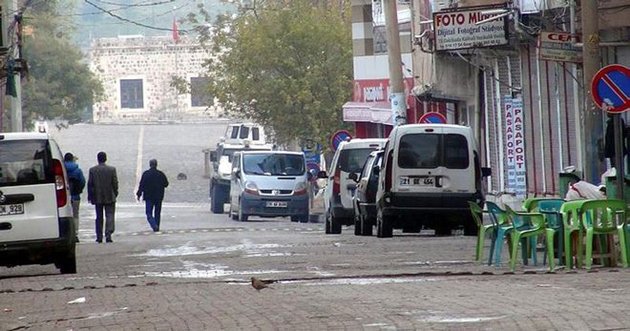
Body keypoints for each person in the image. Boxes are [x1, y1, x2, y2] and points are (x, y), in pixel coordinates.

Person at [87, 151, 118, 243]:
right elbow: (115, 183)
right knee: (110, 215)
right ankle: (108, 233)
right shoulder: (112, 169)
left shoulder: (93, 170)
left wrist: (90, 196)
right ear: (106, 158)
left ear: (98, 159)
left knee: (99, 217)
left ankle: (99, 236)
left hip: (98, 196)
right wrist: (115, 192)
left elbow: (90, 184)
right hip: (110, 195)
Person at [136, 159, 169, 232]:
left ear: (150, 165)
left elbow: (141, 185)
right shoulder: (160, 174)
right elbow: (166, 184)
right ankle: (157, 226)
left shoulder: (146, 174)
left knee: (148, 213)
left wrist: (139, 194)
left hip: (148, 196)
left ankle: (154, 225)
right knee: (157, 212)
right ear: (156, 165)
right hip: (158, 196)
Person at [64, 152, 86, 243]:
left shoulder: (62, 168)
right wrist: (78, 191)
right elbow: (82, 182)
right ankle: (75, 234)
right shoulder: (78, 170)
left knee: (64, 215)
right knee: (75, 215)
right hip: (75, 196)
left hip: (64, 196)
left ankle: (66, 233)